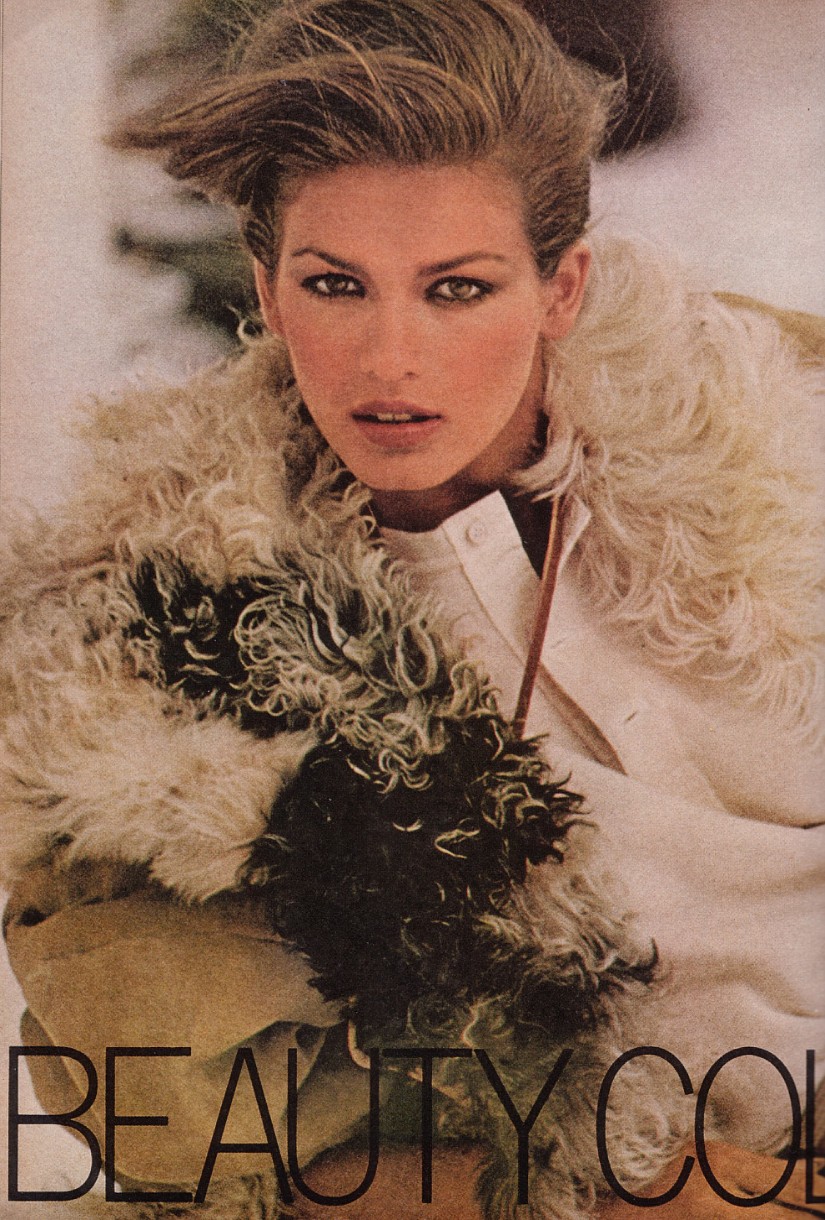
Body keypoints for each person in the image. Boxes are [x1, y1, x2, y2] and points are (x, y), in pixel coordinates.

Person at [1, 1, 822, 1217]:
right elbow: (190, 1127)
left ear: (561, 286)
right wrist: (651, 1197)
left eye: (457, 288)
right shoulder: (149, 661)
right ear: (269, 290)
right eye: (337, 285)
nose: (390, 357)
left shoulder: (785, 432)